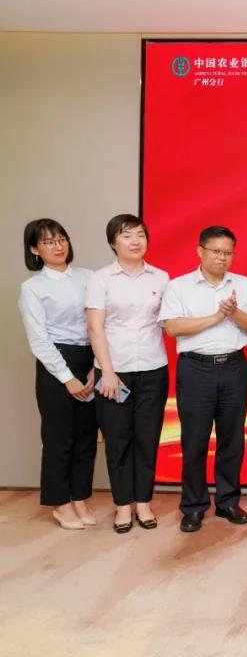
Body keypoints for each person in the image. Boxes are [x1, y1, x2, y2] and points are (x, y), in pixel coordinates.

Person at [160, 226, 247, 533]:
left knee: (232, 439)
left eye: (228, 252)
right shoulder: (179, 286)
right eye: (216, 251)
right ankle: (193, 506)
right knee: (194, 440)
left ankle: (228, 502)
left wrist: (233, 312)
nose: (222, 258)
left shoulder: (242, 284)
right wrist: (217, 317)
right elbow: (172, 327)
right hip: (195, 369)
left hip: (234, 367)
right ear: (200, 251)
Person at [85, 214, 171, 533]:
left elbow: (169, 321)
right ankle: (123, 505)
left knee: (147, 439)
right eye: (127, 235)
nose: (135, 241)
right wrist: (106, 372)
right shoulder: (101, 279)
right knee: (118, 440)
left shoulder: (160, 277)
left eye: (140, 235)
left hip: (153, 369)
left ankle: (144, 502)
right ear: (113, 242)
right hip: (114, 373)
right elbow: (95, 328)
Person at [18, 219, 97, 530]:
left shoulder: (88, 277)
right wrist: (67, 377)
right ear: (35, 249)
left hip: (90, 358)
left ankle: (80, 498)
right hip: (56, 363)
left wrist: (95, 367)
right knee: (59, 437)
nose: (58, 246)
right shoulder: (33, 288)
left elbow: (100, 323)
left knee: (87, 436)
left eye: (61, 238)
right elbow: (39, 339)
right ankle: (60, 504)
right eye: (48, 242)